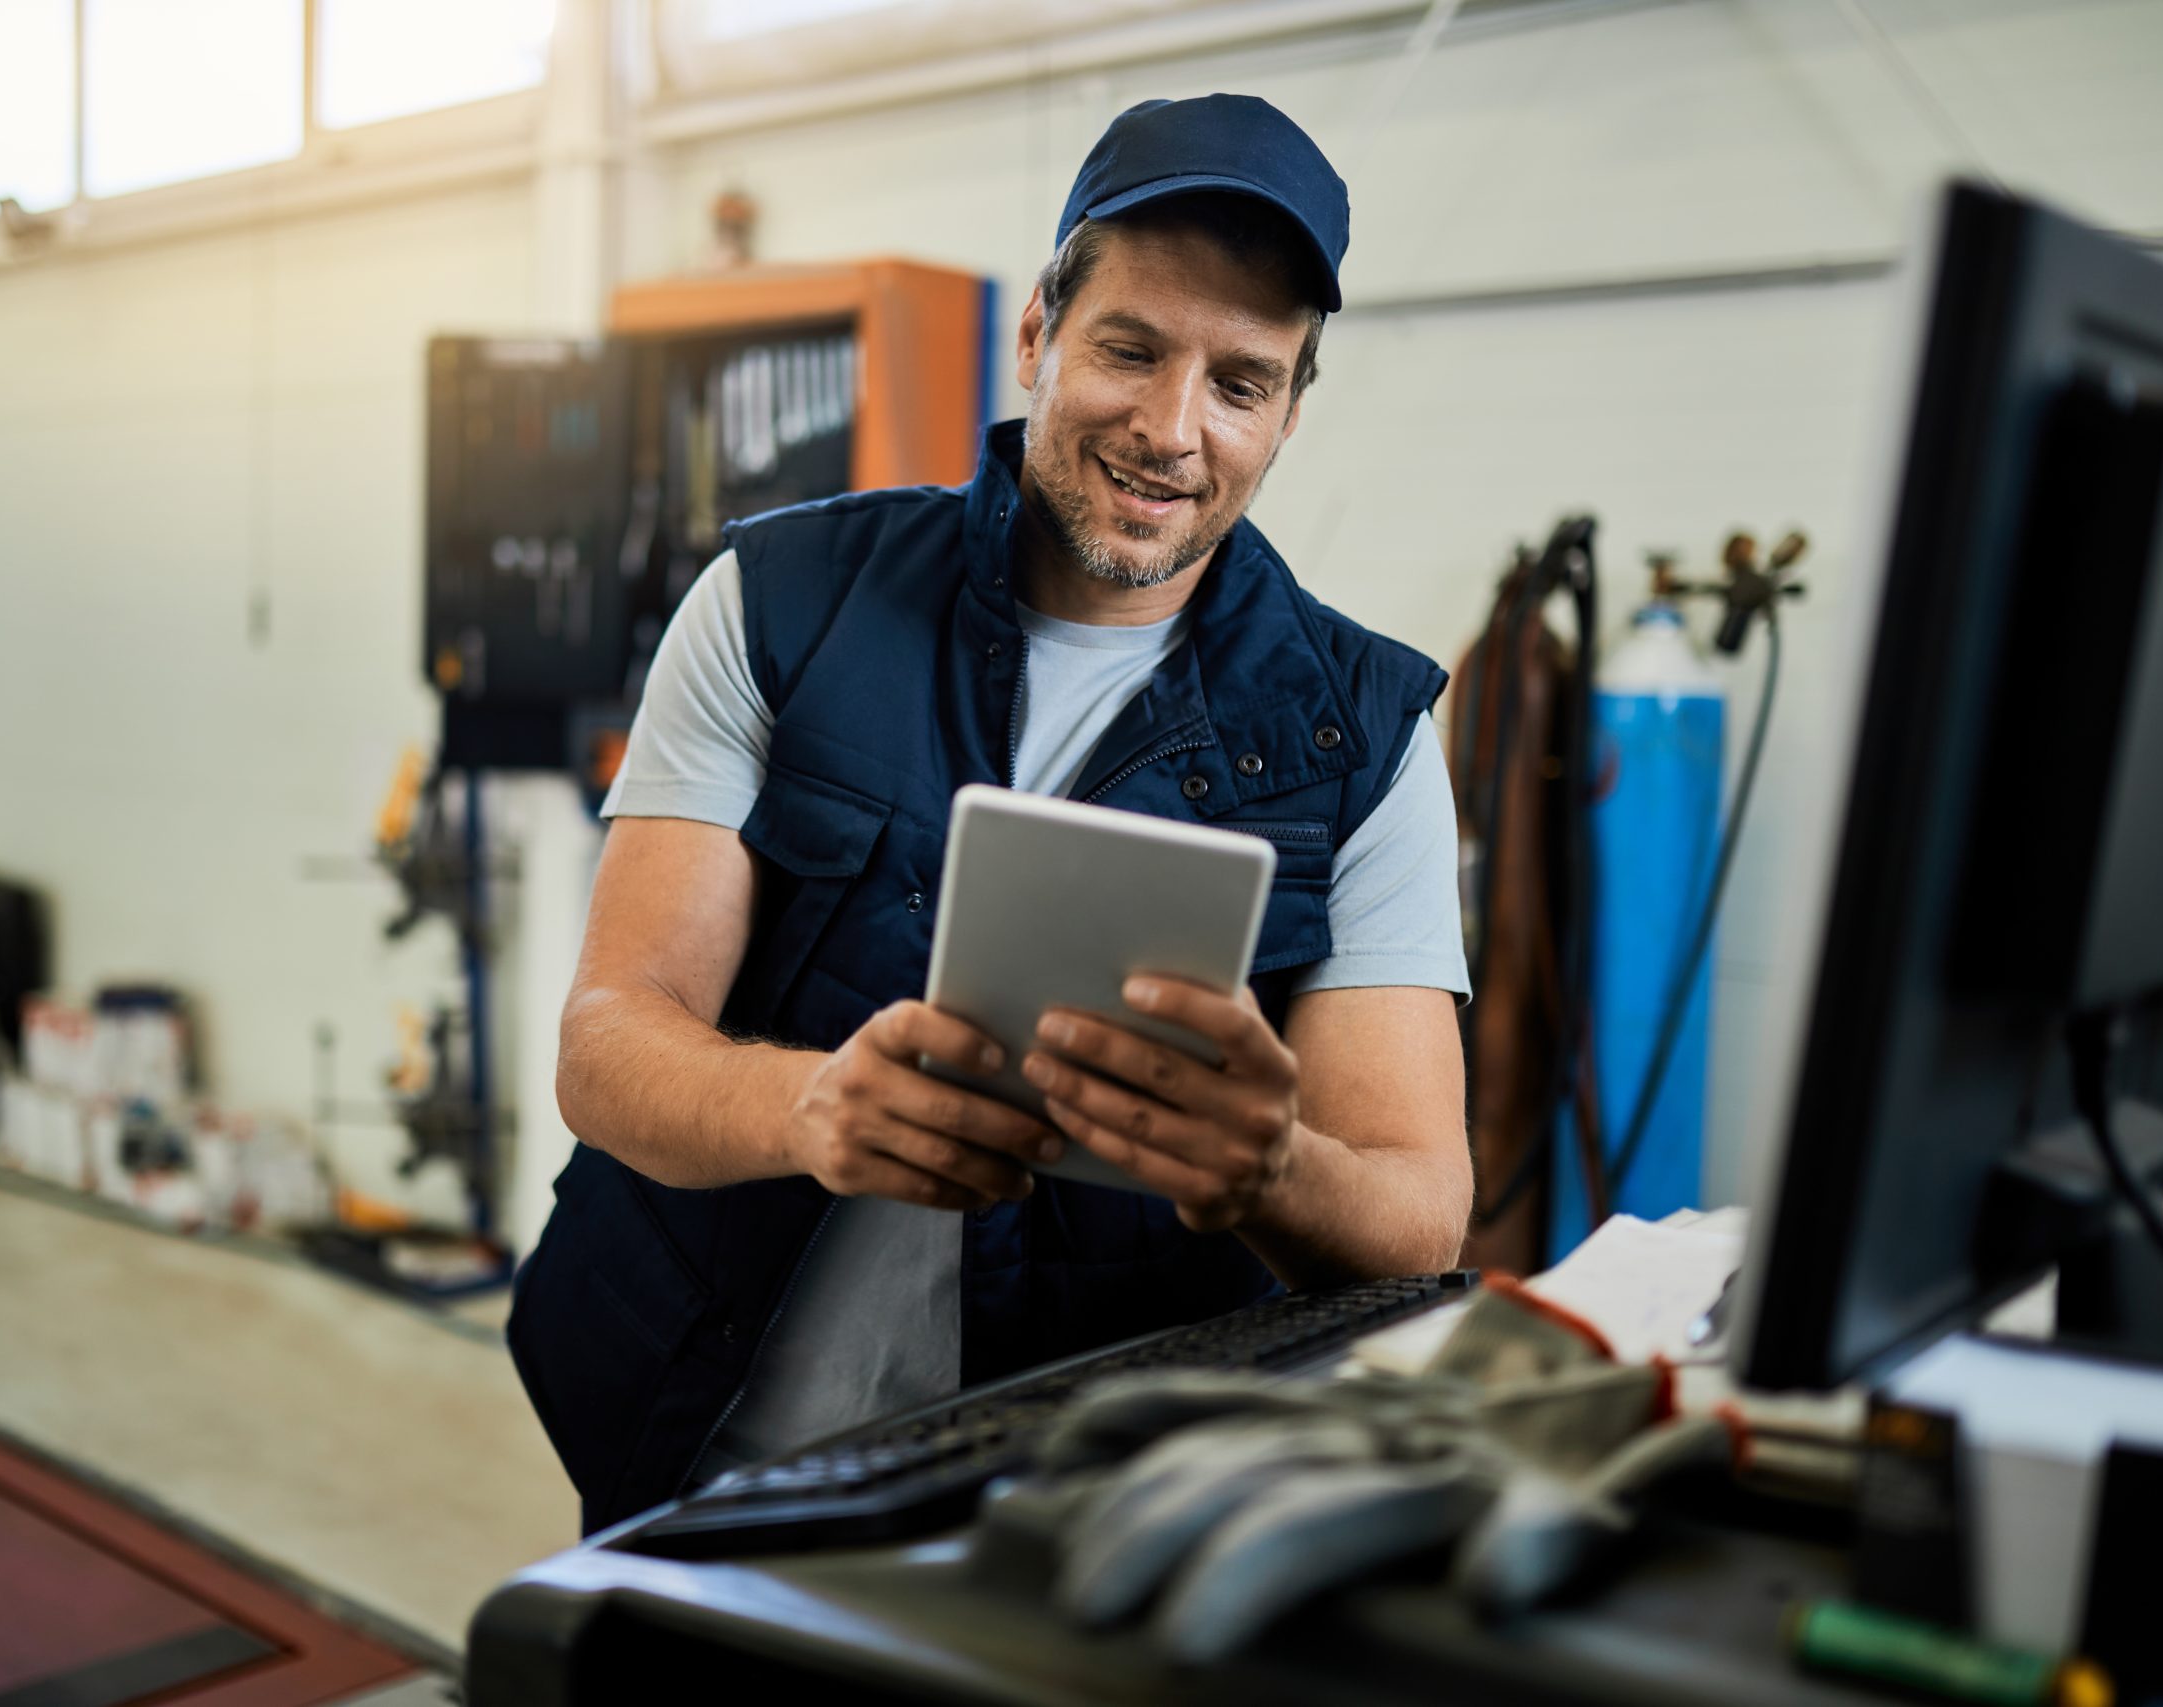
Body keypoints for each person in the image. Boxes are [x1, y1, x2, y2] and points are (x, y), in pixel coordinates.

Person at [512, 93, 1472, 1534]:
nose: (1171, 430)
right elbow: (609, 1046)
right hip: (698, 1457)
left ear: (1286, 413)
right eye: (1131, 350)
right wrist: (812, 1108)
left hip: (1071, 1514)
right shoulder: (782, 606)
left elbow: (1419, 1212)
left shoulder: (1364, 734)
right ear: (1038, 335)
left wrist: (1273, 1168)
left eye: (1241, 382)